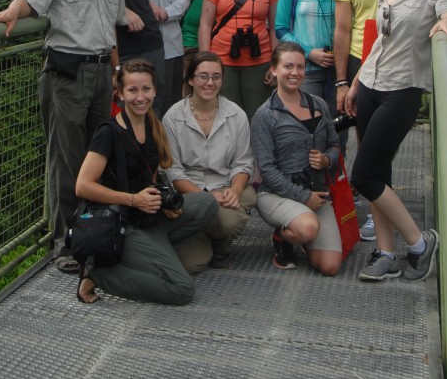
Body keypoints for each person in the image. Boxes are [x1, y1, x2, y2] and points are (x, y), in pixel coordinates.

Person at [0, 0, 126, 271]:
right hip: (67, 73)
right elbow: (29, 0)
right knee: (66, 159)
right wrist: (12, 12)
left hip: (100, 73)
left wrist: (116, 73)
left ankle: (97, 231)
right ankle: (66, 243)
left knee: (98, 157)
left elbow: (110, 27)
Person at [345, 0, 447, 282]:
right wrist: (355, 82)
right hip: (370, 86)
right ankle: (385, 253)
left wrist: (445, 26)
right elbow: (381, 39)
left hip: (403, 91)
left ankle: (418, 242)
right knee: (379, 172)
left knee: (363, 176)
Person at [75, 59, 218, 304]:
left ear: (155, 90)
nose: (140, 97)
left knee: (207, 203)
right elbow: (83, 186)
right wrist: (133, 200)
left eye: (146, 89)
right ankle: (99, 274)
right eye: (132, 90)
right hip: (120, 222)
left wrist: (162, 202)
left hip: (148, 217)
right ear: (119, 93)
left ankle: (149, 253)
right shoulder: (108, 133)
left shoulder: (153, 124)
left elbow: (150, 178)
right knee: (182, 289)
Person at [250, 42, 342, 275]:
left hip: (316, 193)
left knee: (329, 266)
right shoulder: (265, 115)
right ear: (273, 69)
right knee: (308, 228)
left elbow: (335, 144)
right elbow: (267, 169)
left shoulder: (318, 103)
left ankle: (303, 233)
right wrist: (303, 196)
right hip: (276, 194)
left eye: (300, 67)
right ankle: (282, 237)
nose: (295, 73)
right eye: (288, 66)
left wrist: (326, 160)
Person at [333, 0, 396, 239]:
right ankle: (379, 206)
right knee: (365, 138)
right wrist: (342, 81)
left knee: (381, 140)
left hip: (393, 61)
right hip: (360, 60)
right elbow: (342, 30)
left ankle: (384, 206)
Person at [162, 51, 256, 270]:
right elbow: (172, 171)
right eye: (203, 76)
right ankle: (205, 237)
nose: (210, 82)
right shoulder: (173, 117)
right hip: (189, 191)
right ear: (191, 79)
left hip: (224, 186)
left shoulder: (236, 114)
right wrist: (204, 198)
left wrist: (235, 190)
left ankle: (219, 240)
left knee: (229, 222)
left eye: (216, 77)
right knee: (193, 264)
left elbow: (243, 162)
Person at [198, 0, 279, 120]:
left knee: (258, 115)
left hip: (259, 60)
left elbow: (275, 27)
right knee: (225, 115)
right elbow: (205, 24)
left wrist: (275, 64)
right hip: (223, 59)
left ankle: (256, 150)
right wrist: (205, 61)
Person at [275, 0, 338, 109]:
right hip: (306, 68)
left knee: (338, 125)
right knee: (308, 120)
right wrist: (308, 52)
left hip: (340, 68)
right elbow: (281, 28)